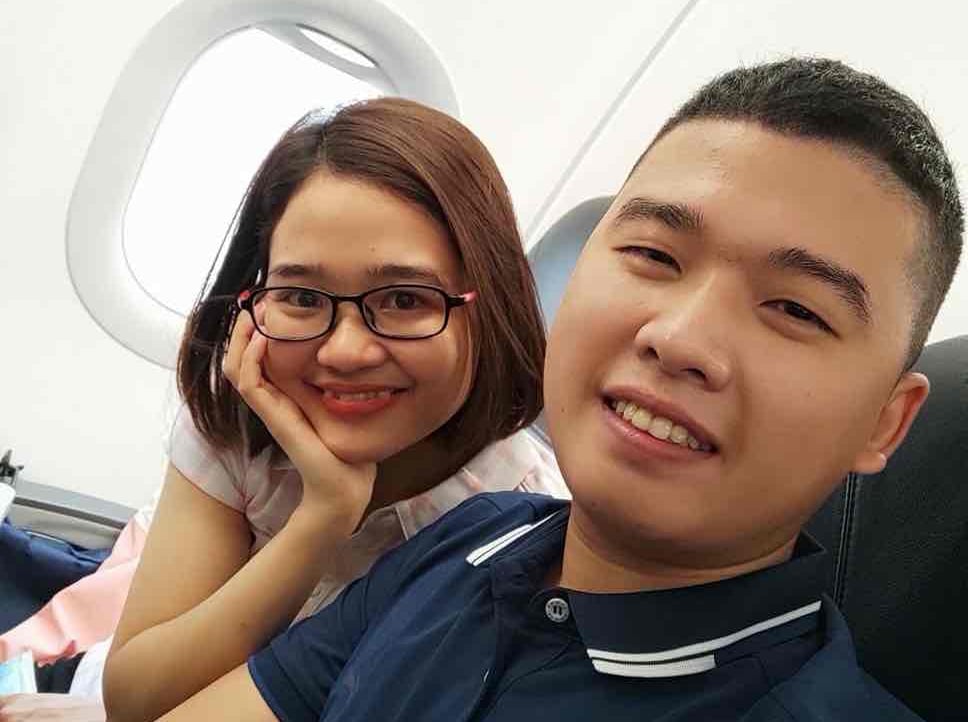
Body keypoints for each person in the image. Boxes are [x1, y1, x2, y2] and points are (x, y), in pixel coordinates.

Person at [156, 57, 961, 721]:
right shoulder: (471, 540)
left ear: (885, 424)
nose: (679, 338)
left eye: (795, 309)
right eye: (653, 255)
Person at [96, 98, 566, 722]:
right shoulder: (241, 412)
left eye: (405, 299)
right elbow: (132, 702)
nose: (344, 351)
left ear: (488, 307)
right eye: (301, 296)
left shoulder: (517, 521)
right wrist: (323, 518)